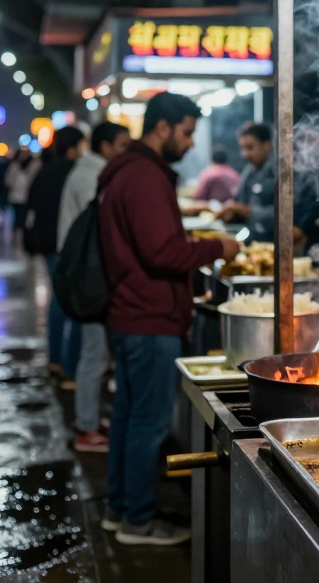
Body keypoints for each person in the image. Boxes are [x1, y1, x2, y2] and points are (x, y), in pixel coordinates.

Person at [97, 93, 240, 545]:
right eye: (186, 130)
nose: (190, 140)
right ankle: (139, 520)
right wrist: (220, 247)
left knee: (127, 415)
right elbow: (162, 251)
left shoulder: (125, 169)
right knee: (150, 422)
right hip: (148, 316)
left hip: (129, 311)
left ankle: (119, 508)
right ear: (163, 127)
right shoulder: (143, 174)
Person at [58, 122, 133, 453]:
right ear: (105, 147)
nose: (125, 152)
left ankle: (87, 419)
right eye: (121, 145)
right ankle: (87, 430)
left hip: (88, 275)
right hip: (90, 279)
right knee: (94, 355)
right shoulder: (93, 175)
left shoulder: (91, 170)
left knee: (95, 353)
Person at [26, 127, 87, 386]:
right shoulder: (77, 172)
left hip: (47, 244)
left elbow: (32, 207)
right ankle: (68, 366)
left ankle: (55, 358)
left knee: (57, 299)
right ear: (74, 147)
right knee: (72, 304)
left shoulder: (44, 172)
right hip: (69, 247)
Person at [217, 122, 276, 241]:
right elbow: (239, 201)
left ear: (267, 146)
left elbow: (285, 216)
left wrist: (243, 210)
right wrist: (231, 214)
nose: (244, 154)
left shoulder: (281, 173)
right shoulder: (249, 171)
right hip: (249, 239)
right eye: (242, 148)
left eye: (250, 148)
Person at [5, 149, 40, 251]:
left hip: (26, 197)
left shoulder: (33, 165)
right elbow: (8, 180)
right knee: (17, 217)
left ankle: (22, 237)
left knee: (24, 218)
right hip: (16, 197)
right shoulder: (14, 166)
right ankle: (16, 237)